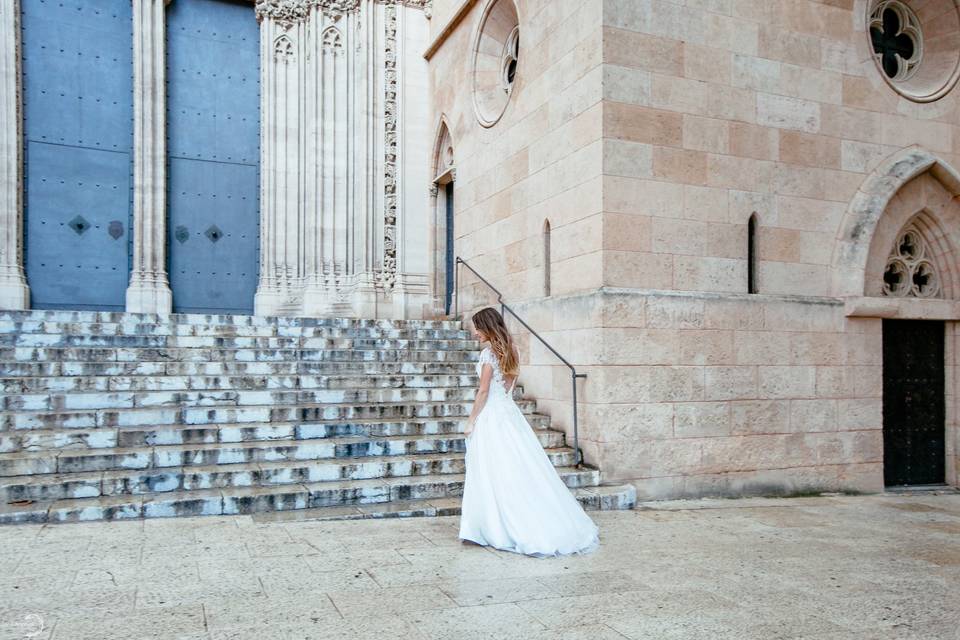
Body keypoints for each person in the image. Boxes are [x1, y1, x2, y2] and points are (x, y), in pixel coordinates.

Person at [458, 307, 599, 557]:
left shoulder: (488, 354)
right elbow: (508, 386)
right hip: (509, 414)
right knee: (515, 467)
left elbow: (483, 392)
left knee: (492, 469)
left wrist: (471, 421)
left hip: (491, 415)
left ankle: (491, 526)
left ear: (488, 327)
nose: (476, 332)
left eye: (478, 327)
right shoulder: (513, 350)